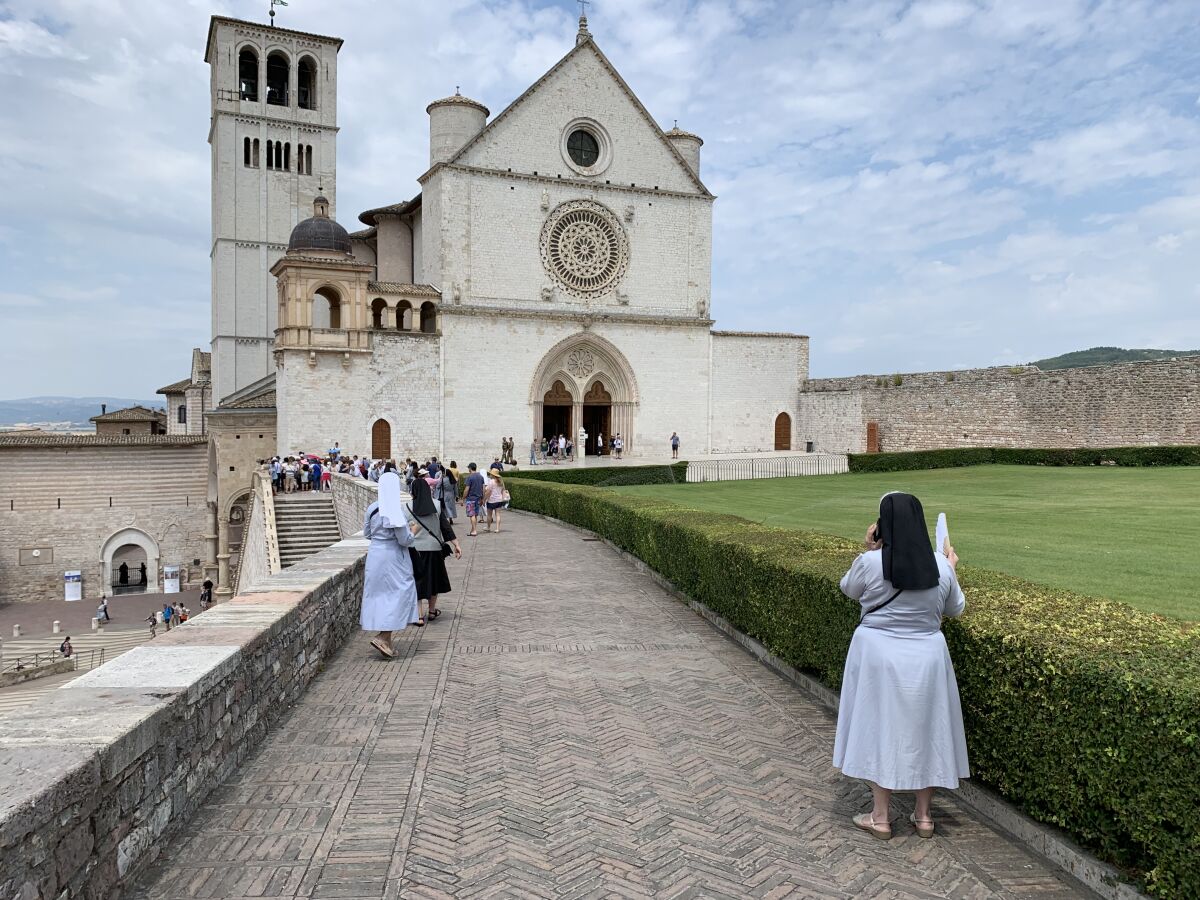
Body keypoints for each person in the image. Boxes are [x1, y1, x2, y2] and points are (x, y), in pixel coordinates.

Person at [833, 492, 968, 841]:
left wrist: (870, 550)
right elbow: (955, 608)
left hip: (879, 656)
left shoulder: (871, 562)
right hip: (927, 657)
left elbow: (848, 589)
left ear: (882, 526)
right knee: (928, 730)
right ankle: (923, 816)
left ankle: (880, 816)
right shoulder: (939, 565)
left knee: (882, 730)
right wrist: (950, 568)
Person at [360, 472, 422, 658]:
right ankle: (383, 636)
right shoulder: (396, 511)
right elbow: (404, 540)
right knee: (400, 593)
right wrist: (414, 531)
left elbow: (367, 533)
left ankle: (386, 640)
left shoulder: (372, 508)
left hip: (376, 555)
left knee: (379, 595)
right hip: (394, 557)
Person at [407, 477, 461, 623]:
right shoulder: (436, 505)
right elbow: (445, 527)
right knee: (434, 580)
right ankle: (431, 611)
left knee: (416, 581)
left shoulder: (405, 507)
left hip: (414, 551)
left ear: (413, 491)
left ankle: (419, 616)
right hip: (434, 549)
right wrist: (456, 544)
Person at [462, 463, 485, 537]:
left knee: (471, 515)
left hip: (471, 498)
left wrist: (463, 498)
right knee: (475, 515)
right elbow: (483, 489)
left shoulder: (469, 477)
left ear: (470, 468)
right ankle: (472, 530)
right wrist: (482, 498)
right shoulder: (481, 477)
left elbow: (466, 489)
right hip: (478, 498)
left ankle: (474, 530)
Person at [483, 468, 508, 534]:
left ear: (493, 475)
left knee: (489, 515)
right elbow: (503, 490)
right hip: (499, 500)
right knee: (498, 515)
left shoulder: (491, 481)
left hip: (491, 500)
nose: (490, 475)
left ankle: (488, 527)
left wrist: (484, 499)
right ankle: (497, 528)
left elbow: (488, 492)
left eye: (491, 474)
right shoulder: (501, 481)